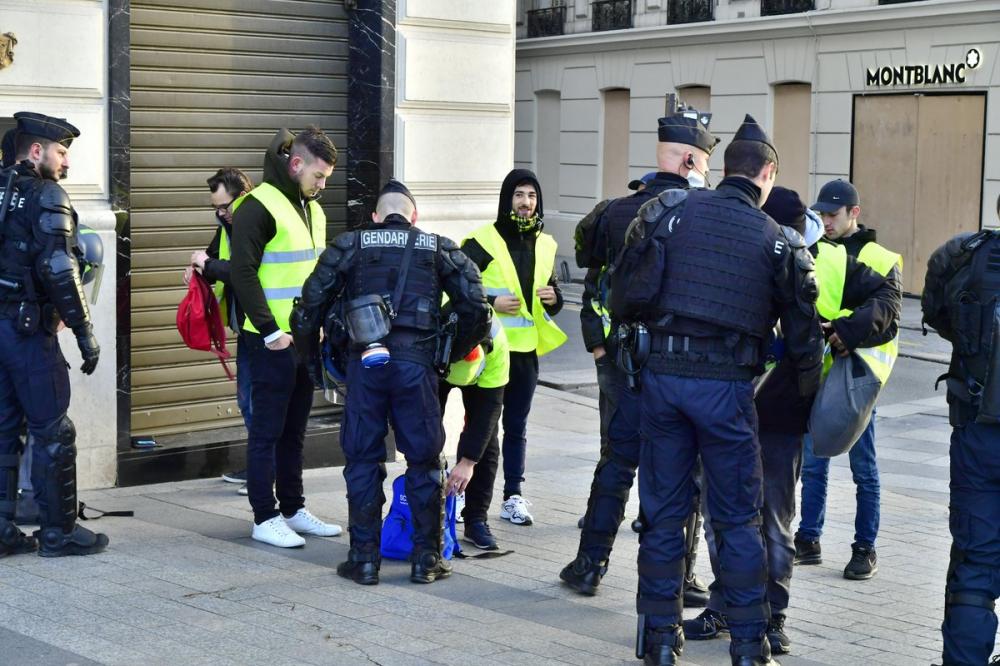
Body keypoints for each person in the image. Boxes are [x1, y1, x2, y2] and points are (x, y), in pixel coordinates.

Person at [623, 115, 824, 666]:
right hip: (727, 391)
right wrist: (805, 396)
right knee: (738, 520)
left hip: (663, 382)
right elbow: (805, 342)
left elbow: (626, 297)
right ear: (767, 175)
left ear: (726, 169)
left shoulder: (670, 214)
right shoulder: (777, 241)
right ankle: (748, 647)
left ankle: (662, 641)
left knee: (663, 516)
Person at [685, 187, 901, 655]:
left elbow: (887, 302)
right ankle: (725, 606)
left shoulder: (824, 259)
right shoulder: (747, 252)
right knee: (724, 517)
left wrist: (845, 330)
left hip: (780, 415)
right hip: (726, 409)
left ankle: (772, 616)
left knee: (774, 521)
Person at [290, 179, 490, 585]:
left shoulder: (350, 245)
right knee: (424, 463)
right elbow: (477, 310)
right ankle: (427, 560)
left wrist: (313, 366)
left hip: (365, 366)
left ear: (376, 216)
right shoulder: (439, 247)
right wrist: (446, 354)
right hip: (417, 368)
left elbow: (308, 310)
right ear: (414, 216)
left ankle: (364, 560)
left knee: (362, 460)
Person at [562, 107, 718, 607]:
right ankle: (680, 577)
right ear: (693, 159)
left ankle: (589, 565)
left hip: (620, 359)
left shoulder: (613, 211)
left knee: (616, 460)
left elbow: (593, 281)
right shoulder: (702, 214)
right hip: (678, 363)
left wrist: (602, 345)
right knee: (679, 471)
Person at [229, 126, 342, 548]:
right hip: (269, 341)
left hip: (303, 339)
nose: (323, 184)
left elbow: (315, 275)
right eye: (319, 176)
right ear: (296, 164)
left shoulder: (312, 209)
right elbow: (242, 273)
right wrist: (271, 330)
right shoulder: (256, 206)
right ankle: (264, 516)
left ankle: (292, 509)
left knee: (295, 430)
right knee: (266, 431)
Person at [0, 112, 105, 557]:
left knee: (4, 430)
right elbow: (62, 270)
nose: (66, 164)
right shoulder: (46, 194)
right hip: (27, 332)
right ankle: (59, 532)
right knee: (53, 430)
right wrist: (84, 331)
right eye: (62, 153)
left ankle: (3, 532)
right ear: (38, 151)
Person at [795, 179, 902, 580]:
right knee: (813, 464)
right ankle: (808, 539)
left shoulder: (879, 256)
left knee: (864, 468)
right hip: (817, 374)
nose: (825, 221)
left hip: (856, 378)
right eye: (820, 213)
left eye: (832, 215)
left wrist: (844, 328)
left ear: (854, 213)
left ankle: (864, 548)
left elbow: (888, 311)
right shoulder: (814, 248)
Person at [460, 169, 566, 526]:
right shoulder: (480, 240)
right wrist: (491, 299)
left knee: (516, 426)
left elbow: (547, 293)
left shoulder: (547, 244)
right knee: (479, 425)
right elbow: (457, 288)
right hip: (488, 351)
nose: (525, 203)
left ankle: (513, 496)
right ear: (507, 200)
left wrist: (555, 299)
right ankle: (463, 496)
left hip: (524, 352)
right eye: (519, 195)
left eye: (532, 196)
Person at [922, 197, 1000, 666]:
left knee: (975, 564)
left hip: (979, 432)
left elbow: (935, 310)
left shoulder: (966, 256)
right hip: (977, 431)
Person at [184, 168, 254, 496]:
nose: (221, 214)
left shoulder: (255, 223)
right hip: (249, 328)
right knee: (248, 400)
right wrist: (199, 266)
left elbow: (242, 271)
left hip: (269, 329)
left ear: (243, 196)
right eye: (216, 208)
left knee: (257, 402)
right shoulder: (227, 224)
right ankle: (259, 465)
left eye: (225, 207)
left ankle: (264, 473)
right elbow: (214, 257)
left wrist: (206, 264)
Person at [439, 313, 510, 550]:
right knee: (425, 439)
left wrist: (468, 462)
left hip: (484, 378)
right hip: (436, 366)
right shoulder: (429, 334)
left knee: (487, 442)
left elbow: (487, 413)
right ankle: (425, 518)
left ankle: (476, 519)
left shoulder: (497, 345)